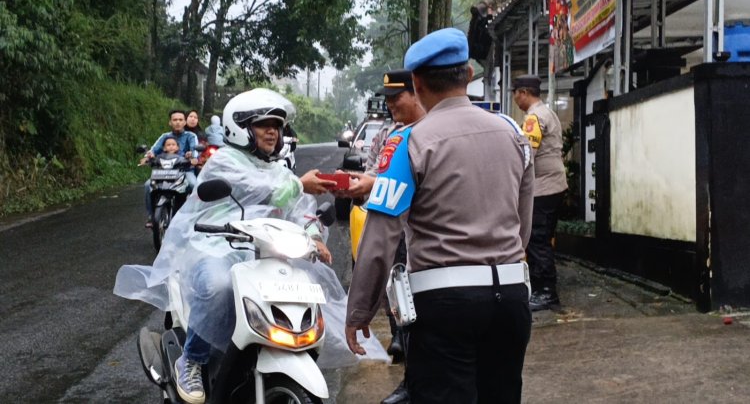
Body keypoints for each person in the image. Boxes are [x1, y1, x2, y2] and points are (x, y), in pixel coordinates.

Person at [116, 88, 359, 404]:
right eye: (263, 124)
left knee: (301, 286)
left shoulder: (278, 169)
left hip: (263, 250)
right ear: (240, 129)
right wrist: (299, 183)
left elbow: (301, 208)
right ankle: (191, 360)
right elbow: (259, 190)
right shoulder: (225, 162)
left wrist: (312, 233)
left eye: (277, 125)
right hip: (214, 243)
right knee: (219, 285)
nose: (273, 131)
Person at [345, 28, 535, 404]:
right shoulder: (513, 134)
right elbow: (522, 223)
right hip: (512, 300)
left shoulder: (407, 143)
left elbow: (381, 235)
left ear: (416, 83)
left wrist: (359, 309)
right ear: (467, 74)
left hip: (445, 306)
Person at [337, 69, 425, 404]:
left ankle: (413, 377)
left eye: (395, 97)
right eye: (386, 98)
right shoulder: (499, 128)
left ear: (419, 90)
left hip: (429, 259)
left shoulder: (408, 139)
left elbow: (376, 244)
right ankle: (404, 349)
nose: (389, 104)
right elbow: (376, 169)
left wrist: (359, 310)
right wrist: (362, 181)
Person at [511, 74, 568, 311]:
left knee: (537, 239)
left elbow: (527, 155)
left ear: (523, 93)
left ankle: (546, 292)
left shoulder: (534, 118)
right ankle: (541, 287)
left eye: (516, 93)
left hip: (543, 189)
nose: (515, 99)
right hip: (555, 186)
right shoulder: (548, 112)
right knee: (541, 239)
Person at [141, 110, 198, 228]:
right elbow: (153, 150)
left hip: (185, 171)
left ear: (184, 122)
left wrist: (192, 156)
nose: (177, 122)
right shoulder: (164, 136)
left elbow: (195, 151)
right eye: (175, 120)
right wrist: (148, 156)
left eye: (180, 120)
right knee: (148, 185)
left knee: (193, 185)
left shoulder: (191, 136)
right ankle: (152, 216)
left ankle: (195, 215)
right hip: (164, 172)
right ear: (170, 122)